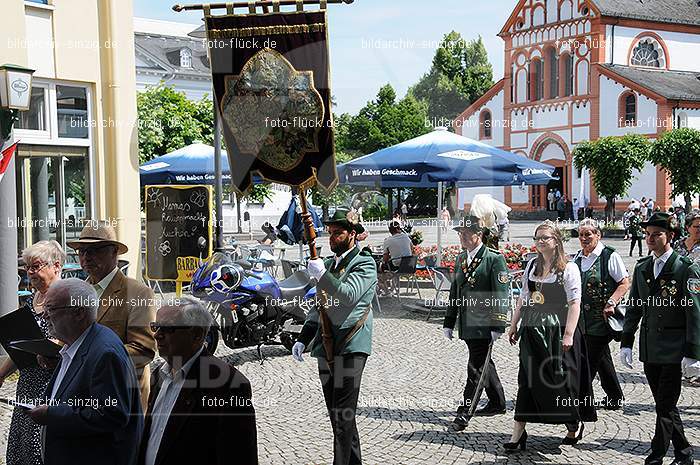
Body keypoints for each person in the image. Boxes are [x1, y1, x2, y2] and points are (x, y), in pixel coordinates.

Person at [27, 278, 143, 465]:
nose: (44, 317)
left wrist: (52, 414)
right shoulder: (76, 346)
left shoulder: (104, 352)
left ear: (79, 313)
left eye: (51, 310)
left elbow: (111, 413)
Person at [293, 208, 377, 465]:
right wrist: (303, 337)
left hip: (351, 344)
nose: (332, 238)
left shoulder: (364, 263)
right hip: (326, 345)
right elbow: (317, 307)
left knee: (342, 417)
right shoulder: (328, 264)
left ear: (353, 234)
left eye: (338, 233)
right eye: (329, 233)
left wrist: (322, 276)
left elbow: (348, 295)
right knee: (339, 416)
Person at [505, 221, 596, 453]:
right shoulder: (532, 266)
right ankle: (517, 434)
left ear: (556, 241)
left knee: (560, 381)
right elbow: (523, 298)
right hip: (533, 331)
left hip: (558, 332)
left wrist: (568, 335)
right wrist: (514, 324)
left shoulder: (568, 268)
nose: (540, 241)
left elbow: (575, 304)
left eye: (545, 237)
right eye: (537, 238)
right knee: (527, 380)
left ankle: (572, 424)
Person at [621, 212, 700, 465]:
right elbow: (633, 306)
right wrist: (626, 341)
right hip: (650, 347)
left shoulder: (685, 268)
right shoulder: (643, 266)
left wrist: (693, 352)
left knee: (664, 405)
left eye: (657, 234)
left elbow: (695, 313)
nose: (650, 239)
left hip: (674, 348)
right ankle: (684, 452)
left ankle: (655, 455)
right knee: (664, 404)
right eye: (647, 235)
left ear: (671, 236)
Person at [139, 297, 258, 465]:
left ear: (196, 334)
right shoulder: (158, 375)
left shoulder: (230, 385)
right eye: (155, 327)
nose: (157, 335)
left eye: (168, 328)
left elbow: (239, 456)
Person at [67, 221, 157, 411]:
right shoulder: (78, 291)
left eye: (95, 250)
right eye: (81, 251)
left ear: (114, 252)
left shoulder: (138, 293)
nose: (86, 257)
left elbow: (143, 351)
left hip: (120, 400)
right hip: (82, 399)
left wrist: (87, 359)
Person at [443, 211, 509, 431]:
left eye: (466, 232)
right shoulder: (462, 257)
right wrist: (449, 321)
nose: (462, 236)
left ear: (478, 234)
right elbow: (455, 290)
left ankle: (464, 413)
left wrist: (498, 324)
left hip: (484, 324)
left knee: (476, 368)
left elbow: (501, 293)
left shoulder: (493, 258)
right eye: (460, 232)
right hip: (467, 323)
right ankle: (498, 402)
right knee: (484, 363)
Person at [1, 241, 64, 465]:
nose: (30, 272)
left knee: (42, 449)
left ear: (56, 266)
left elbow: (75, 338)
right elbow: (20, 346)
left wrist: (53, 346)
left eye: (35, 266)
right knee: (22, 448)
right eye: (27, 267)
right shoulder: (32, 299)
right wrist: (1, 374)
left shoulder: (67, 296)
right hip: (28, 382)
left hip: (53, 384)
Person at [574, 219, 629, 410]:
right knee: (602, 358)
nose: (584, 238)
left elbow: (624, 283)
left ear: (598, 235)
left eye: (588, 234)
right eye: (581, 234)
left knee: (587, 363)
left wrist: (612, 302)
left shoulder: (609, 256)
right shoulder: (577, 258)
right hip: (582, 321)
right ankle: (615, 397)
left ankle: (580, 403)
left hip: (601, 321)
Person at [377, 220, 413, 296]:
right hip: (410, 266)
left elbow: (385, 259)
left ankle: (387, 291)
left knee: (381, 268)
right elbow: (411, 248)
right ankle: (393, 289)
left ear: (390, 231)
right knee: (394, 265)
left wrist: (390, 256)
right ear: (398, 229)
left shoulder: (388, 240)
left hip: (398, 266)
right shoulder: (406, 237)